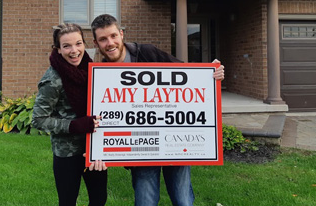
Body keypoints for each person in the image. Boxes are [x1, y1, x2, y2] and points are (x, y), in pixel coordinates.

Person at [90, 14, 225, 206]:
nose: (109, 43)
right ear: (96, 43)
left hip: (175, 141)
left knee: (183, 200)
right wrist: (97, 148)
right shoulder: (100, 78)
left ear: (121, 34)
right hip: (140, 149)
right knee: (145, 202)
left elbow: (184, 73)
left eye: (113, 36)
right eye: (103, 39)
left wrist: (210, 74)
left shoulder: (146, 52)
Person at [32, 23, 107, 206]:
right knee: (67, 202)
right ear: (58, 49)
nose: (74, 50)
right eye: (66, 46)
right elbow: (38, 119)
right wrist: (74, 125)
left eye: (78, 43)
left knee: (99, 199)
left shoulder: (92, 70)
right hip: (67, 153)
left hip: (93, 149)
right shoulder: (53, 79)